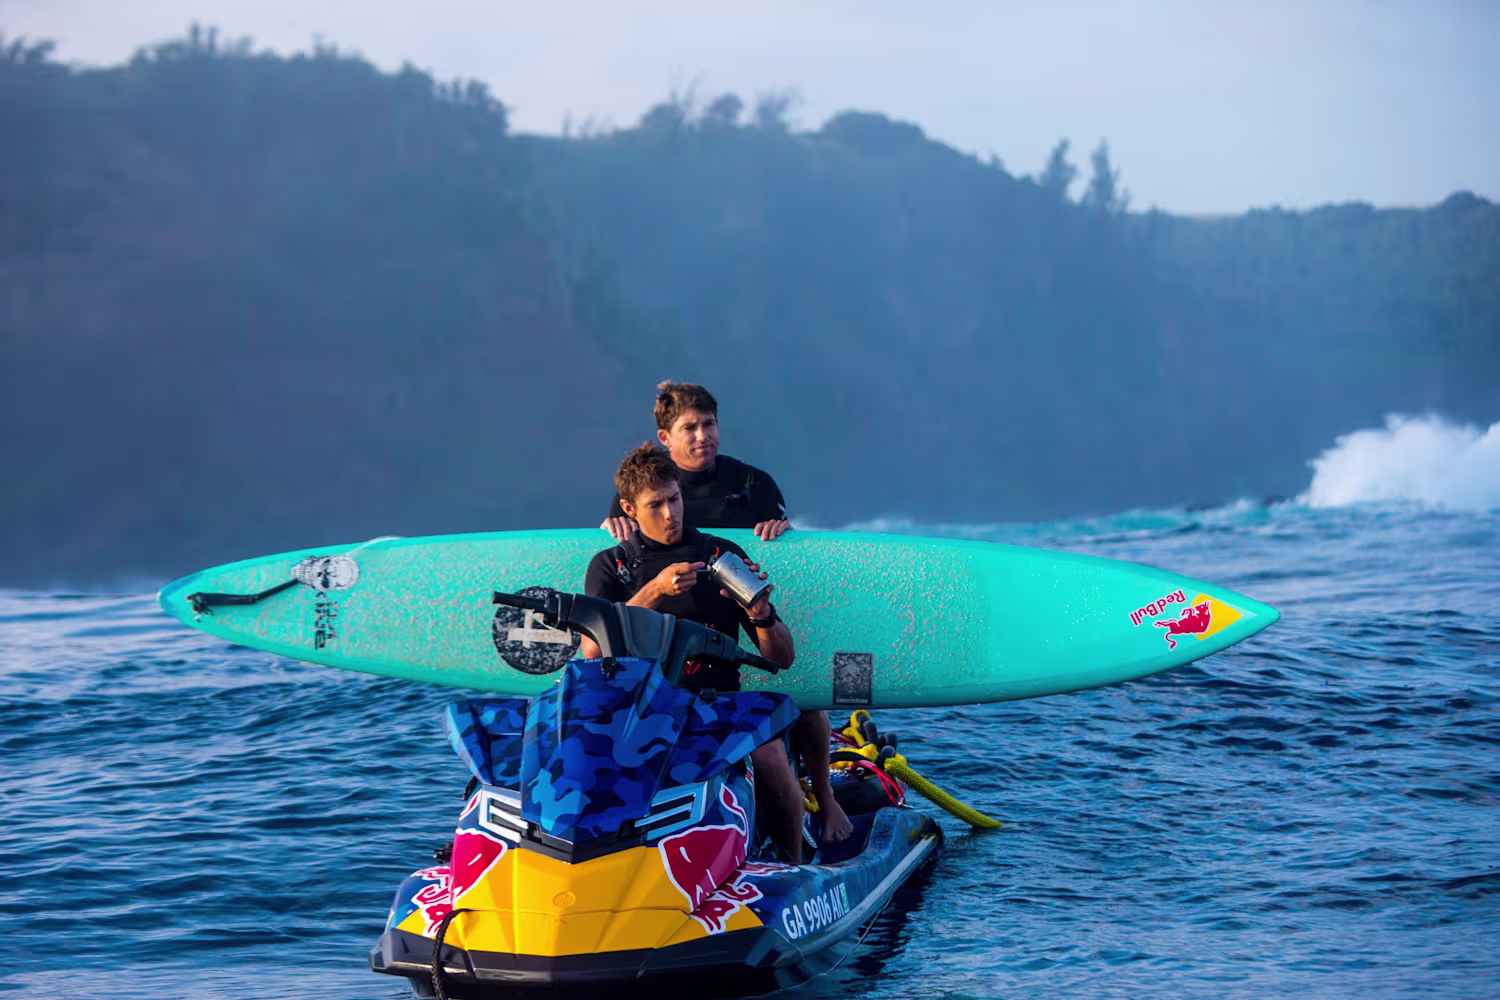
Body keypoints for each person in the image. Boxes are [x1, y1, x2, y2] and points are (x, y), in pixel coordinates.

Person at [581, 443, 852, 862]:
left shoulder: (719, 556)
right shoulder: (611, 566)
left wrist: (760, 613)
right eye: (656, 505)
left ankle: (794, 863)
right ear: (630, 510)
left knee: (767, 753)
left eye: (675, 499)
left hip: (717, 704)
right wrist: (654, 591)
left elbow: (783, 659)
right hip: (638, 708)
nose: (671, 514)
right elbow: (592, 653)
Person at [601, 381, 791, 542]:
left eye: (709, 424)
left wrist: (786, 534)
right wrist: (607, 533)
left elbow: (788, 554)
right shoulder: (641, 490)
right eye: (689, 428)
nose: (702, 436)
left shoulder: (755, 483)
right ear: (665, 437)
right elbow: (619, 554)